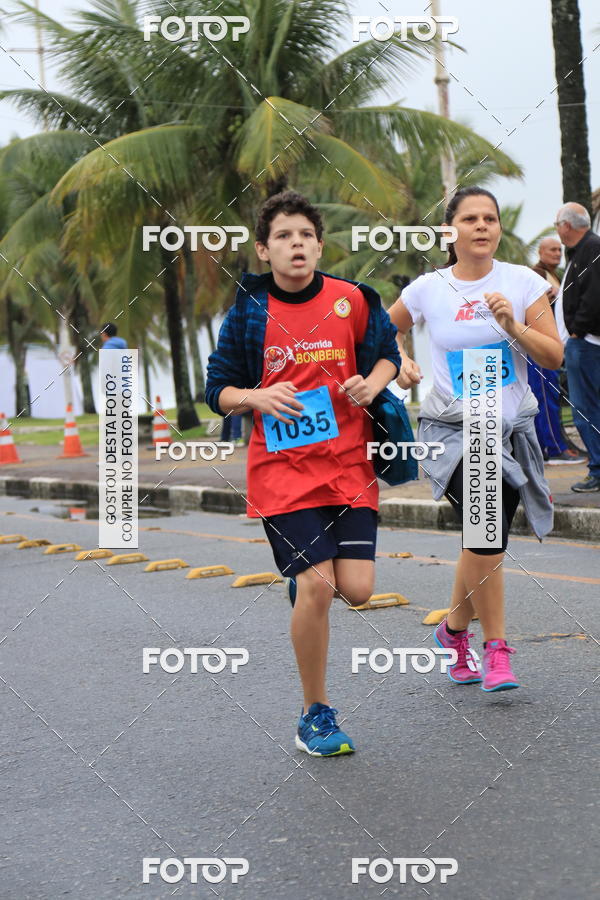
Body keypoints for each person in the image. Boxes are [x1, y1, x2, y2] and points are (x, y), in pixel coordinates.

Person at [206, 191, 401, 755]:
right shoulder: (248, 311)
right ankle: (314, 713)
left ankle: (305, 578)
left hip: (348, 465)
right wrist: (256, 397)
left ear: (319, 245)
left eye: (305, 236)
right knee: (319, 586)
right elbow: (216, 390)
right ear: (264, 251)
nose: (297, 245)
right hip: (282, 469)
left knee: (358, 591)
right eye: (284, 237)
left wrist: (375, 381)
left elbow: (386, 352)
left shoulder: (353, 299)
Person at [389, 187, 563, 692]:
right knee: (485, 524)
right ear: (451, 231)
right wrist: (399, 361)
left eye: (490, 218)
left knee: (484, 539)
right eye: (470, 218)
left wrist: (511, 325)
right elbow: (379, 329)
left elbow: (552, 356)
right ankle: (498, 649)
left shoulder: (522, 281)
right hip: (453, 430)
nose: (482, 226)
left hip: (508, 430)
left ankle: (454, 631)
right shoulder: (428, 288)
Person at [553, 203, 600, 492]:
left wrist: (576, 331)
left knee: (585, 409)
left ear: (567, 226)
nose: (556, 229)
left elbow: (595, 296)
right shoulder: (584, 250)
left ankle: (597, 469)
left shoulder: (591, 249)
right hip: (583, 342)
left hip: (585, 343)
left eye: (557, 223)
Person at [527, 238, 584, 464]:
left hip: (550, 346)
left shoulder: (554, 275)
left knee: (548, 397)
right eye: (552, 250)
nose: (557, 253)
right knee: (545, 397)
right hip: (539, 348)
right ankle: (553, 449)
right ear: (540, 252)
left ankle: (550, 447)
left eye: (559, 250)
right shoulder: (537, 275)